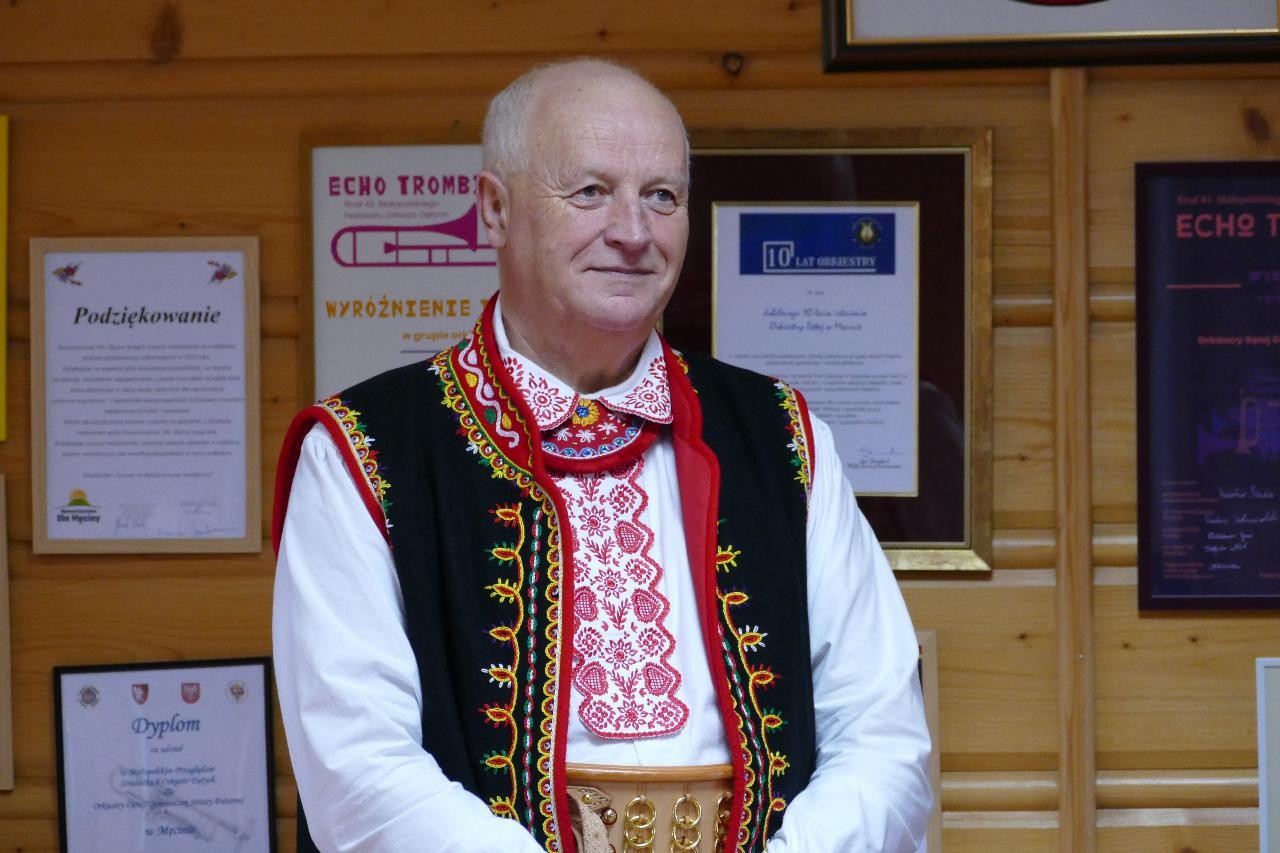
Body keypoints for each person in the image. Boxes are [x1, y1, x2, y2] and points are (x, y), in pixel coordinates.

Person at [273, 57, 932, 853]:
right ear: (495, 210)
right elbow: (357, 770)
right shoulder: (362, 451)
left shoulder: (786, 436)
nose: (633, 232)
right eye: (590, 191)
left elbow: (883, 736)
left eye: (662, 196)